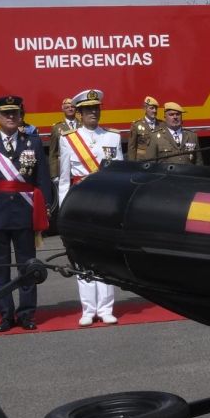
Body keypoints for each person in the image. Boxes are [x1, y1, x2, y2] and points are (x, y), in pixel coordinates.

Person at [0, 95, 51, 332]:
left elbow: (43, 179)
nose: (10, 117)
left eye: (14, 113)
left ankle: (27, 313)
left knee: (27, 266)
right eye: (5, 113)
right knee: (1, 268)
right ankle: (6, 314)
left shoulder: (33, 142)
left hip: (24, 212)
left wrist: (44, 209)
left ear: (20, 116)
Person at [57, 90, 123, 323]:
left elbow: (119, 176)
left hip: (105, 204)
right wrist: (64, 210)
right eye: (88, 110)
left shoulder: (113, 137)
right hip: (80, 204)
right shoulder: (68, 139)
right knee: (82, 254)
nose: (93, 113)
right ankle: (88, 308)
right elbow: (64, 179)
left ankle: (106, 308)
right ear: (80, 113)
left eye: (96, 109)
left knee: (104, 254)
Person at [152, 102, 200, 166]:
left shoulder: (192, 136)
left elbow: (199, 162)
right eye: (171, 114)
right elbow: (150, 164)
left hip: (187, 175)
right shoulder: (155, 137)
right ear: (165, 117)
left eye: (178, 114)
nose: (175, 117)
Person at [50, 96, 79, 178]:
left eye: (72, 107)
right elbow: (53, 153)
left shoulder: (83, 125)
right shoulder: (56, 127)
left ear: (76, 108)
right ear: (63, 109)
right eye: (67, 107)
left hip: (80, 167)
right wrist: (54, 175)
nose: (70, 109)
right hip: (63, 167)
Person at [128, 96, 163, 162]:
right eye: (151, 108)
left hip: (158, 160)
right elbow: (131, 147)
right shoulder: (136, 125)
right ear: (145, 108)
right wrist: (132, 164)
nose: (154, 111)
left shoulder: (162, 124)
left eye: (156, 108)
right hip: (142, 160)